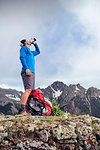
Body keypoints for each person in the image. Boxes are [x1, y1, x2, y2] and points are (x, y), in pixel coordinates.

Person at [19, 39, 40, 115]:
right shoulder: (24, 48)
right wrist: (26, 68)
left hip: (32, 72)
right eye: (28, 40)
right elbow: (22, 57)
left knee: (31, 91)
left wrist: (35, 44)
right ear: (25, 42)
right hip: (27, 71)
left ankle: (28, 109)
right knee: (28, 90)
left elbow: (38, 52)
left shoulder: (30, 52)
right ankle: (23, 109)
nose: (29, 41)